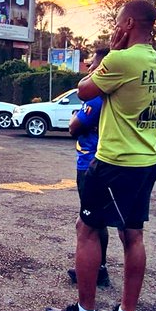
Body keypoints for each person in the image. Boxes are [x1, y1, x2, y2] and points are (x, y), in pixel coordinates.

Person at [45, 0, 156, 311]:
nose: (115, 27)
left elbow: (84, 90)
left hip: (115, 161)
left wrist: (112, 50)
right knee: (133, 234)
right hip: (147, 158)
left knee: (87, 229)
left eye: (117, 21)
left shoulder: (120, 58)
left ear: (127, 24)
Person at [66, 47, 111, 288]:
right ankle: (99, 268)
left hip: (91, 163)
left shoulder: (95, 96)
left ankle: (95, 271)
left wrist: (76, 115)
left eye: (94, 64)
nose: (89, 68)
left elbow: (75, 126)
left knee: (88, 222)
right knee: (95, 220)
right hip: (97, 161)